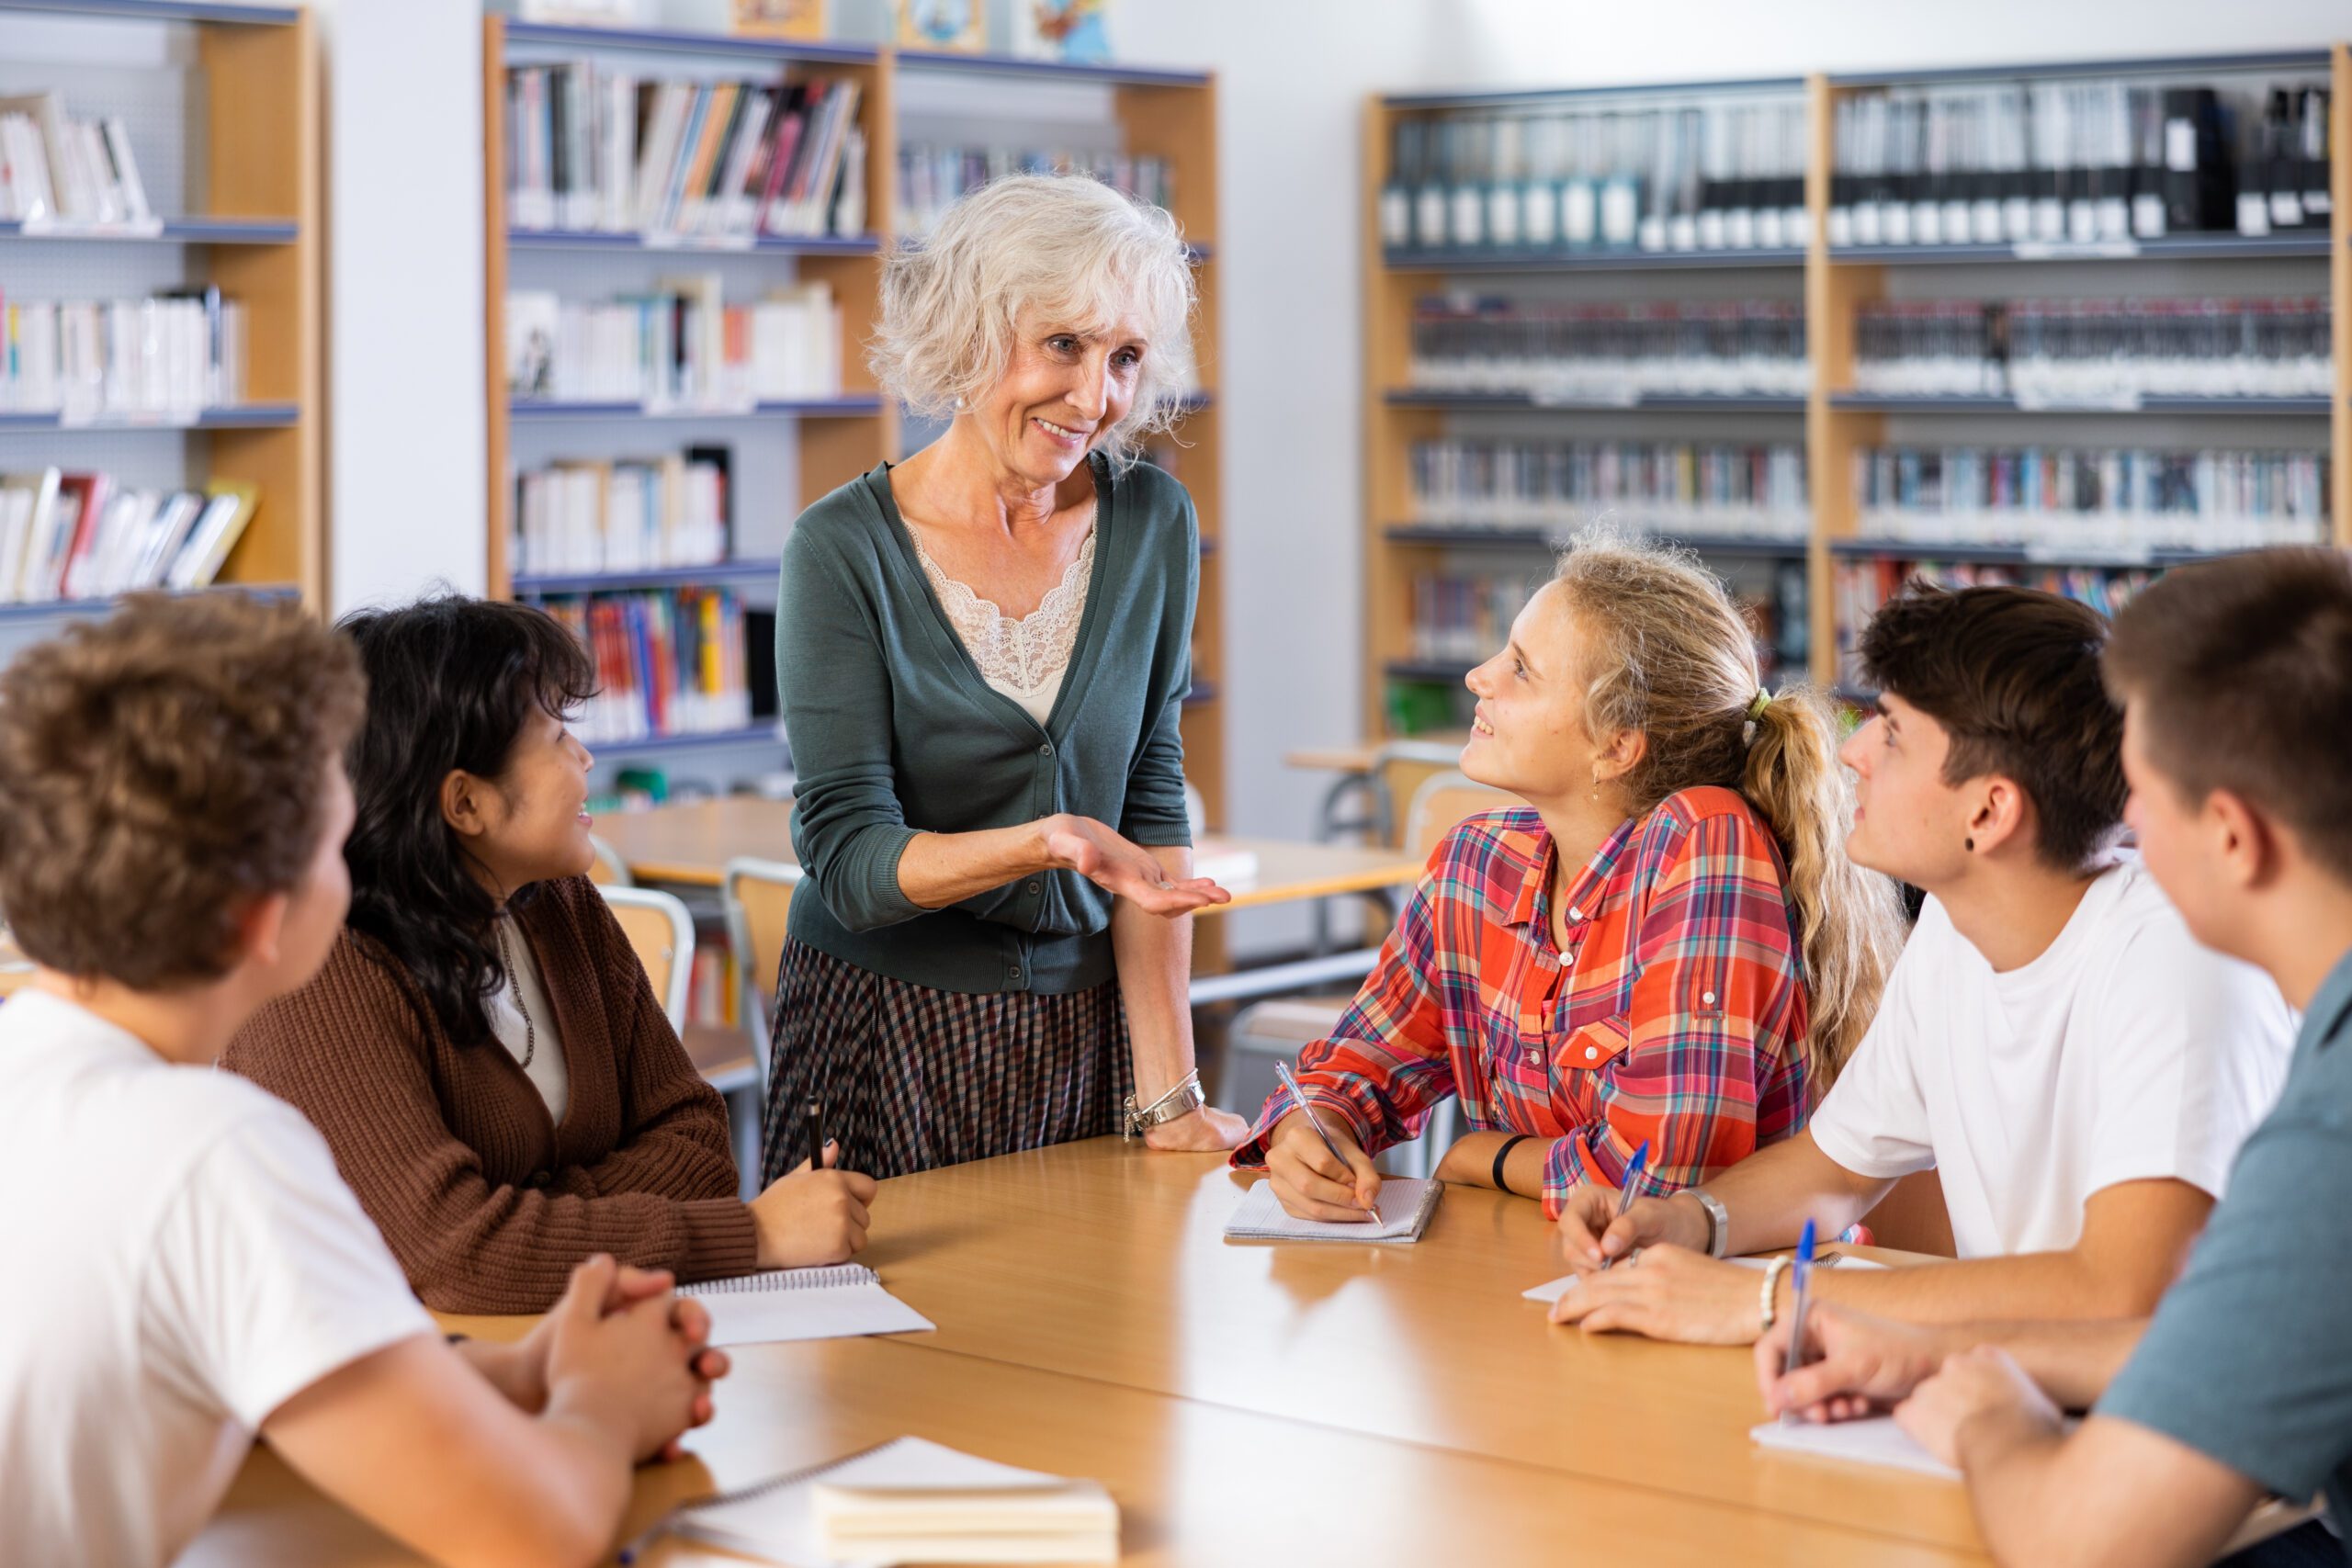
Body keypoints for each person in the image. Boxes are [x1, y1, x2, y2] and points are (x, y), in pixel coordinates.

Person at [0, 593, 726, 1568]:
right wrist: (604, 1402)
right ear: (267, 915)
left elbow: (215, 1359)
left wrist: (515, 1374)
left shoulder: (36, 1067)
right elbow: (536, 1536)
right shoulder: (213, 1149)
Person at [1749, 547, 2352, 1567]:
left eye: (2142, 795)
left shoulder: (2328, 1137)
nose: (2115, 826)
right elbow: (2235, 1337)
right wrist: (1940, 1348)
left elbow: (2086, 1540)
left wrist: (1984, 1410)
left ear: (2232, 836)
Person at [1552, 582, 2293, 1344]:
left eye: (1894, 733)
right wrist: (1688, 1219)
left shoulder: (2177, 961)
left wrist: (1775, 1299)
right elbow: (1836, 1169)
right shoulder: (1954, 924)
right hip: (2028, 1385)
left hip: (2183, 1431)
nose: (1853, 750)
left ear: (1990, 811)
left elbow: (2119, 1289)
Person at [762, 172, 1242, 1181]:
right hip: (883, 1033)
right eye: (1061, 344)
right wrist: (1048, 841)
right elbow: (849, 860)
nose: (1094, 396)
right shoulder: (840, 549)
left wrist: (1169, 1099)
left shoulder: (1154, 523)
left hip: (1087, 1033)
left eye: (1124, 357)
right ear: (971, 333)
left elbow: (1150, 794)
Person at [226, 596, 873, 1315]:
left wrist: (532, 1217)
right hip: (403, 1381)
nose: (587, 756)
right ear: (464, 802)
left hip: (564, 1342)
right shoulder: (325, 967)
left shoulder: (558, 900)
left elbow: (698, 1145)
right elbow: (461, 1254)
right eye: (558, 735)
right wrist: (749, 1236)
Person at [1230, 536, 1908, 1220]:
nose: (1478, 676)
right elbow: (1353, 1066)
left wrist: (1487, 1157)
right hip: (1530, 1278)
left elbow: (1660, 1181)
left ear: (1615, 747)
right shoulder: (1473, 865)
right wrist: (1309, 1129)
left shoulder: (1706, 844)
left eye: (1521, 670)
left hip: (1717, 1299)